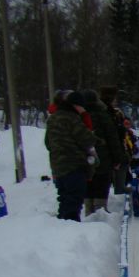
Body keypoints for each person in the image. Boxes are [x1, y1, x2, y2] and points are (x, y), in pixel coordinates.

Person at [44, 90, 100, 221]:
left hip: (58, 167)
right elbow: (86, 139)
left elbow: (48, 143)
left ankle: (62, 227)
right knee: (74, 200)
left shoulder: (52, 118)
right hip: (74, 165)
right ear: (76, 105)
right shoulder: (72, 118)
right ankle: (70, 228)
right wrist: (96, 140)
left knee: (64, 198)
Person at [83, 89, 124, 215]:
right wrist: (118, 158)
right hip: (103, 157)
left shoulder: (79, 116)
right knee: (101, 184)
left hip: (84, 158)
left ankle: (89, 212)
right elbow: (112, 138)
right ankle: (100, 214)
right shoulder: (103, 115)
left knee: (88, 185)